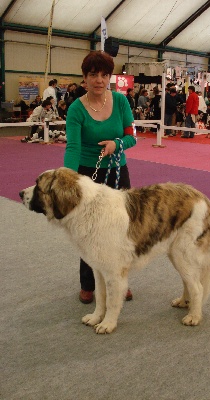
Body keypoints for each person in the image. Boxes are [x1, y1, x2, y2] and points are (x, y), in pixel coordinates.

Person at [64, 50, 136, 304]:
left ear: (110, 78)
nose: (99, 80)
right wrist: (68, 179)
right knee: (89, 233)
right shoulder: (75, 109)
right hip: (87, 174)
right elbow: (72, 147)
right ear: (84, 78)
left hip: (118, 170)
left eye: (104, 75)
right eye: (93, 75)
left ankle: (120, 281)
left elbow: (131, 137)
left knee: (121, 231)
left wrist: (117, 144)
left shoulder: (121, 102)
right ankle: (88, 284)